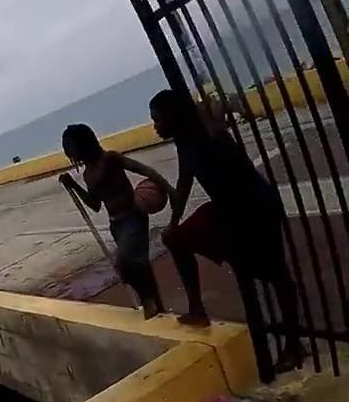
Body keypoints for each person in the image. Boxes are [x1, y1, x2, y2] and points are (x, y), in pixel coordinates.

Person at [150, 88, 303, 370]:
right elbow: (184, 183)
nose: (155, 126)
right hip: (228, 210)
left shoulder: (211, 135)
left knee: (274, 275)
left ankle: (294, 344)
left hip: (255, 208)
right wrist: (172, 222)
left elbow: (237, 175)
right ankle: (197, 308)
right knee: (176, 238)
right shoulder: (185, 141)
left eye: (158, 119)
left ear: (173, 117)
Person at [59, 123, 174, 319]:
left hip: (133, 216)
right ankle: (156, 306)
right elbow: (95, 205)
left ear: (83, 144)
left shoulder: (110, 159)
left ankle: (149, 301)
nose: (70, 153)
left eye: (71, 147)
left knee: (124, 263)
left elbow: (143, 170)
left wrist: (170, 190)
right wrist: (74, 186)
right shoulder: (88, 174)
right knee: (140, 265)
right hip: (116, 224)